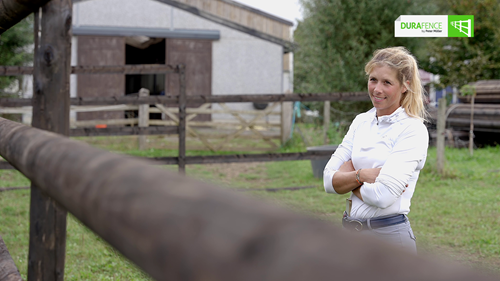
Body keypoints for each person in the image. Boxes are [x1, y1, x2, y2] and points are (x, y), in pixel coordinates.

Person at [323, 46, 429, 253]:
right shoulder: (361, 121)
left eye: (387, 82)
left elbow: (383, 196)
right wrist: (363, 175)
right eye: (373, 80)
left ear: (405, 86)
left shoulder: (412, 129)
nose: (377, 89)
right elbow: (328, 181)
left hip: (389, 239)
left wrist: (349, 179)